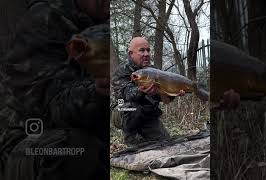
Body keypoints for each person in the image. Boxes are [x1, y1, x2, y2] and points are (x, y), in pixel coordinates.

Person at [0, 0, 108, 180]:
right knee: (73, 149)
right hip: (28, 137)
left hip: (96, 131)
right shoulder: (43, 20)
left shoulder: (106, 24)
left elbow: (123, 107)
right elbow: (51, 109)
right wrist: (97, 92)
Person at [111, 37, 240, 146]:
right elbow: (124, 95)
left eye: (148, 50)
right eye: (142, 50)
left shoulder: (154, 70)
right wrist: (142, 90)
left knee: (165, 143)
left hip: (147, 116)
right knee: (130, 107)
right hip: (123, 111)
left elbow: (165, 100)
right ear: (130, 54)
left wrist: (172, 93)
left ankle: (144, 136)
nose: (146, 54)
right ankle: (130, 140)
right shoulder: (121, 71)